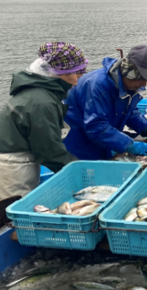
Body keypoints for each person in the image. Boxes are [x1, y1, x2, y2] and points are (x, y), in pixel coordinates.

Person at [0, 42, 88, 224]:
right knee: (13, 216)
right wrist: (79, 170)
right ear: (63, 73)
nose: (80, 76)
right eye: (79, 71)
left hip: (20, 157)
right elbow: (48, 151)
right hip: (13, 166)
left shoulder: (42, 91)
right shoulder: (41, 102)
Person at [64, 45, 147, 161]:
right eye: (142, 79)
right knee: (88, 175)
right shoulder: (97, 85)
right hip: (80, 144)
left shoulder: (127, 86)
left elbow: (128, 111)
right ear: (131, 73)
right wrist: (130, 145)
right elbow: (96, 126)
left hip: (100, 141)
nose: (144, 85)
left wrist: (146, 128)